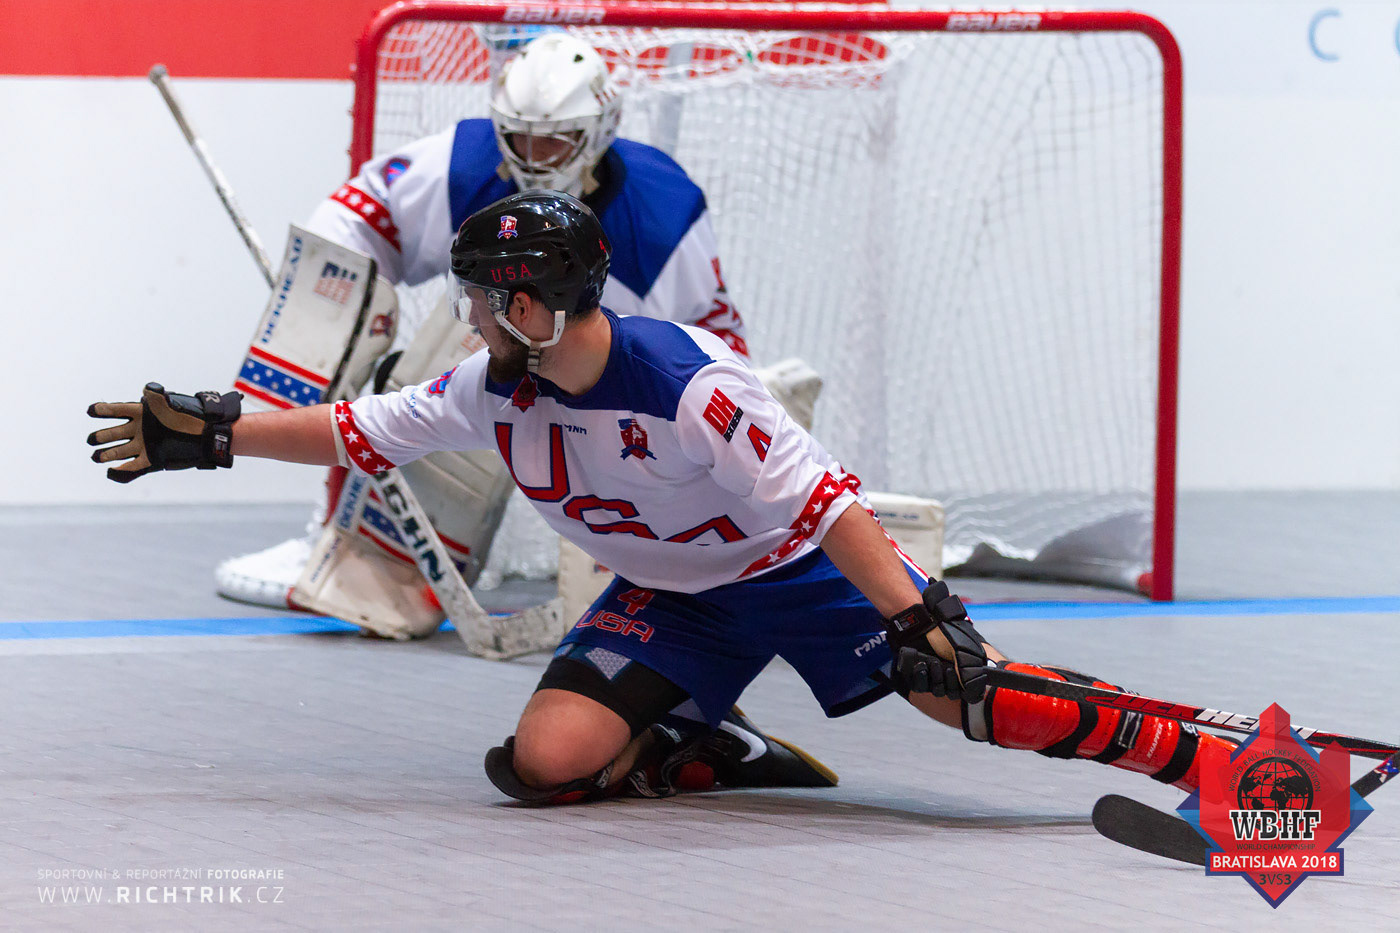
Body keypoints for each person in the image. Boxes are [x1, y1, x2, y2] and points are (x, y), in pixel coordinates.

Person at [88, 190, 1234, 804]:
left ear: (537, 305)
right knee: (541, 766)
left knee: (961, 695)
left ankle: (1207, 758)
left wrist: (921, 620)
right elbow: (357, 430)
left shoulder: (690, 385)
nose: (472, 323)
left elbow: (825, 505)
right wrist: (217, 434)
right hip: (670, 598)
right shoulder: (495, 386)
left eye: (485, 303)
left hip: (792, 574)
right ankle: (706, 739)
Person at [217, 31, 748, 610]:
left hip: (610, 401)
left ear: (598, 131)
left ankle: (658, 569)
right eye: (520, 137)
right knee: (399, 332)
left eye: (553, 142)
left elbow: (709, 341)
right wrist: (343, 304)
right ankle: (371, 564)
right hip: (497, 381)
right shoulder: (464, 161)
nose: (532, 157)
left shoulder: (662, 209)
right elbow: (357, 218)